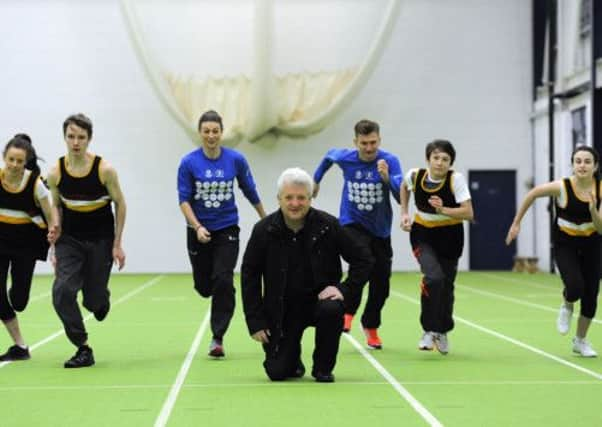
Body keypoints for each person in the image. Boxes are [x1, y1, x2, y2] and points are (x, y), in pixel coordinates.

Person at [241, 167, 373, 382]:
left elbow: (364, 259)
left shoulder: (328, 225)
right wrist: (255, 321)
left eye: (301, 197)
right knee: (278, 372)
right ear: (279, 199)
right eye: (289, 197)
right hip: (281, 309)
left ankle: (322, 367)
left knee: (332, 308)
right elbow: (250, 276)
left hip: (320, 303)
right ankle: (293, 360)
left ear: (311, 198)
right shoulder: (263, 230)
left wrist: (343, 289)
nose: (295, 203)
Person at [177, 110, 266, 358]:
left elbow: (250, 190)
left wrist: (265, 218)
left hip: (227, 228)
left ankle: (218, 337)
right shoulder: (188, 163)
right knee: (205, 287)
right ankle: (208, 287)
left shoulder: (235, 160)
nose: (211, 135)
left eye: (215, 131)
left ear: (221, 132)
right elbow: (183, 201)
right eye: (206, 131)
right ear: (200, 133)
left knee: (223, 279)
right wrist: (197, 227)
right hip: (198, 230)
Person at [312, 119, 402, 349]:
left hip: (380, 230)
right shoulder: (346, 157)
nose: (369, 148)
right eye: (364, 143)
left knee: (381, 284)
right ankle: (347, 312)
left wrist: (386, 178)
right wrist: (316, 180)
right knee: (363, 263)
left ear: (379, 140)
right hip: (352, 223)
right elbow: (327, 157)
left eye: (373, 143)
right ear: (356, 142)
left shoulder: (390, 161)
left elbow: (401, 196)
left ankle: (370, 325)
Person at [506, 145, 602, 357]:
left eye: (587, 161)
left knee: (591, 296)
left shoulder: (600, 190)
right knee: (575, 286)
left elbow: (600, 227)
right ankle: (567, 305)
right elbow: (532, 194)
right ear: (572, 164)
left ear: (595, 166)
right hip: (565, 243)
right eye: (578, 161)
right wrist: (516, 223)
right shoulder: (562, 187)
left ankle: (580, 341)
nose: (582, 165)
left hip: (592, 244)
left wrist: (594, 210)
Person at [47, 113, 126, 368]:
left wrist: (117, 243)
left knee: (94, 301)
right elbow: (56, 206)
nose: (75, 142)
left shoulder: (105, 170)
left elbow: (120, 204)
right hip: (70, 240)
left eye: (81, 137)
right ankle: (82, 347)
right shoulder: (55, 172)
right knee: (62, 292)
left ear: (89, 139)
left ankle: (100, 300)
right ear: (65, 138)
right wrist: (55, 231)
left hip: (100, 241)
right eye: (71, 137)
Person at [400, 140, 473, 355]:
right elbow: (404, 187)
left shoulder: (455, 180)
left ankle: (442, 331)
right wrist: (404, 212)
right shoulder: (415, 175)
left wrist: (444, 209)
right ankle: (428, 330)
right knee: (433, 278)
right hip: (422, 233)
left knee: (446, 287)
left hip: (450, 235)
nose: (440, 163)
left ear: (451, 163)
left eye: (445, 159)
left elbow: (468, 213)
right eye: (436, 158)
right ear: (428, 159)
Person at [0, 134, 57, 361]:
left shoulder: (35, 183)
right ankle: (20, 347)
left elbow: (50, 213)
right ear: (4, 158)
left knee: (19, 301)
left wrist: (54, 232)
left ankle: (17, 295)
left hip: (26, 244)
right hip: (1, 242)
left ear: (26, 162)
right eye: (11, 160)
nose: (14, 165)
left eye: (19, 161)